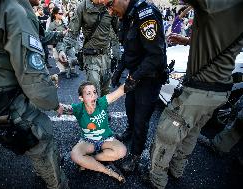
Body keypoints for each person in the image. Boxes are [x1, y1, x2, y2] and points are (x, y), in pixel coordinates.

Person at [0, 0, 68, 188]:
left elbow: (37, 37)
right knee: (42, 138)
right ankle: (55, 182)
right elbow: (33, 77)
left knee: (31, 139)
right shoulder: (13, 10)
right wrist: (54, 103)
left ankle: (42, 170)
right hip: (5, 101)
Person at [147, 0, 243, 188]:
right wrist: (186, 40)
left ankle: (157, 179)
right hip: (220, 91)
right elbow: (219, 38)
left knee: (168, 133)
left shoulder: (213, 4)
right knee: (192, 131)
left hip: (199, 90)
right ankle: (178, 169)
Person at [100, 0, 167, 172]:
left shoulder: (146, 14)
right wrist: (118, 71)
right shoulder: (127, 16)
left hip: (149, 78)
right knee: (130, 108)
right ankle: (129, 132)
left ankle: (136, 154)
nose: (110, 11)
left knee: (141, 119)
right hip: (134, 76)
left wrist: (134, 78)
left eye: (109, 5)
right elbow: (129, 50)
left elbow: (156, 56)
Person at [57, 81, 127, 183]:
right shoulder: (78, 108)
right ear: (81, 98)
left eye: (94, 92)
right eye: (88, 93)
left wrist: (132, 79)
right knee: (75, 155)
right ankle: (108, 171)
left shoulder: (101, 102)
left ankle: (89, 160)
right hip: (88, 141)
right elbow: (61, 107)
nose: (93, 95)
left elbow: (119, 91)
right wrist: (54, 104)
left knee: (122, 151)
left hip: (105, 139)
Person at [57, 0, 119, 97]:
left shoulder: (110, 6)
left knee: (105, 91)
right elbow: (72, 33)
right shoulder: (82, 7)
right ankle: (93, 111)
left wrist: (117, 54)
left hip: (106, 56)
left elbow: (118, 31)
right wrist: (62, 49)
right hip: (91, 57)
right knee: (93, 90)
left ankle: (103, 111)